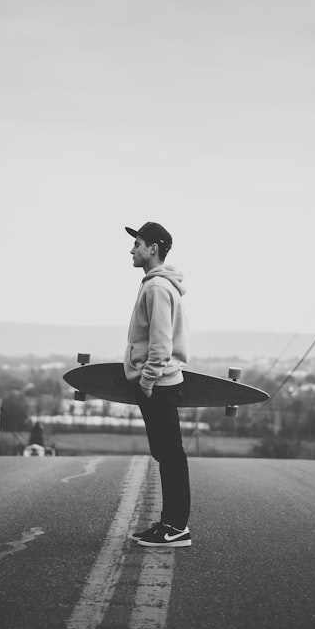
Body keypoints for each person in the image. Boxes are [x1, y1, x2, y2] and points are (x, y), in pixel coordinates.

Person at [123, 222, 192, 548]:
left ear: (153, 248)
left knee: (171, 455)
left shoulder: (156, 288)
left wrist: (147, 382)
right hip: (161, 382)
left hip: (159, 384)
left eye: (137, 244)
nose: (132, 250)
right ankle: (169, 523)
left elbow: (160, 345)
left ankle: (177, 528)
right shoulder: (157, 285)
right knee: (167, 454)